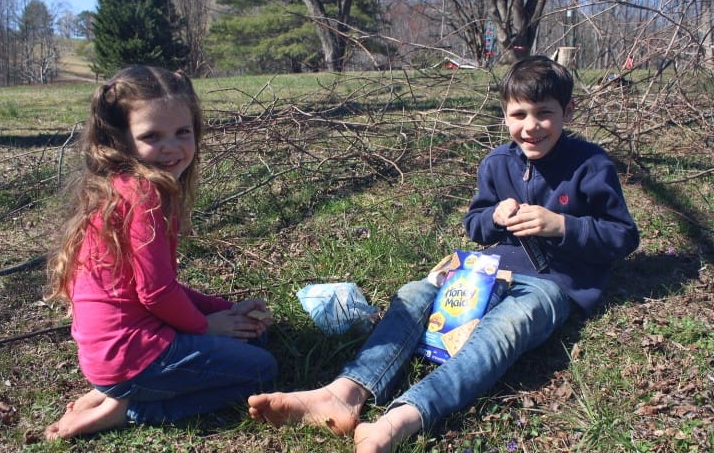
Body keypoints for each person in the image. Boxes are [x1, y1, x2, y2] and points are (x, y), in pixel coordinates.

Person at [247, 56, 640, 452]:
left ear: (567, 111)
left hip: (551, 283)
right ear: (504, 115)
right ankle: (344, 392)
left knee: (503, 329)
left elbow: (623, 236)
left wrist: (563, 225)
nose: (531, 126)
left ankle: (404, 416)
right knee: (416, 293)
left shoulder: (591, 164)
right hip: (489, 270)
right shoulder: (497, 163)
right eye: (519, 114)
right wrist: (495, 217)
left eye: (544, 114)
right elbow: (475, 224)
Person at [44, 65, 277, 440]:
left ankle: (112, 391)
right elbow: (156, 293)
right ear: (122, 141)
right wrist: (206, 326)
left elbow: (159, 287)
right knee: (262, 369)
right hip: (132, 355)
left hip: (111, 355)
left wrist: (223, 310)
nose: (172, 147)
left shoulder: (118, 187)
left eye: (182, 132)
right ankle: (129, 408)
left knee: (253, 333)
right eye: (152, 135)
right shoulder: (145, 194)